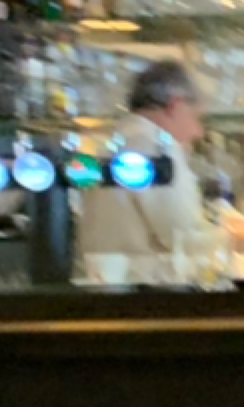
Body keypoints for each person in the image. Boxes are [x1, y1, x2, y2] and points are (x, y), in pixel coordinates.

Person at [76, 59, 215, 276]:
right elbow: (182, 234)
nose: (198, 132)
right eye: (197, 118)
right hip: (146, 289)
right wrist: (236, 235)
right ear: (176, 106)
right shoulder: (157, 148)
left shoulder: (116, 143)